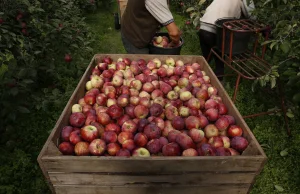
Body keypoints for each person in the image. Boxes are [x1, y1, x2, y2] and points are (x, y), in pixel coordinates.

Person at [198, 0, 256, 80]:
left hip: (203, 27)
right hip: (216, 30)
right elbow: (253, 15)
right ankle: (219, 84)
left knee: (206, 57)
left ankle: (197, 77)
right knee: (219, 60)